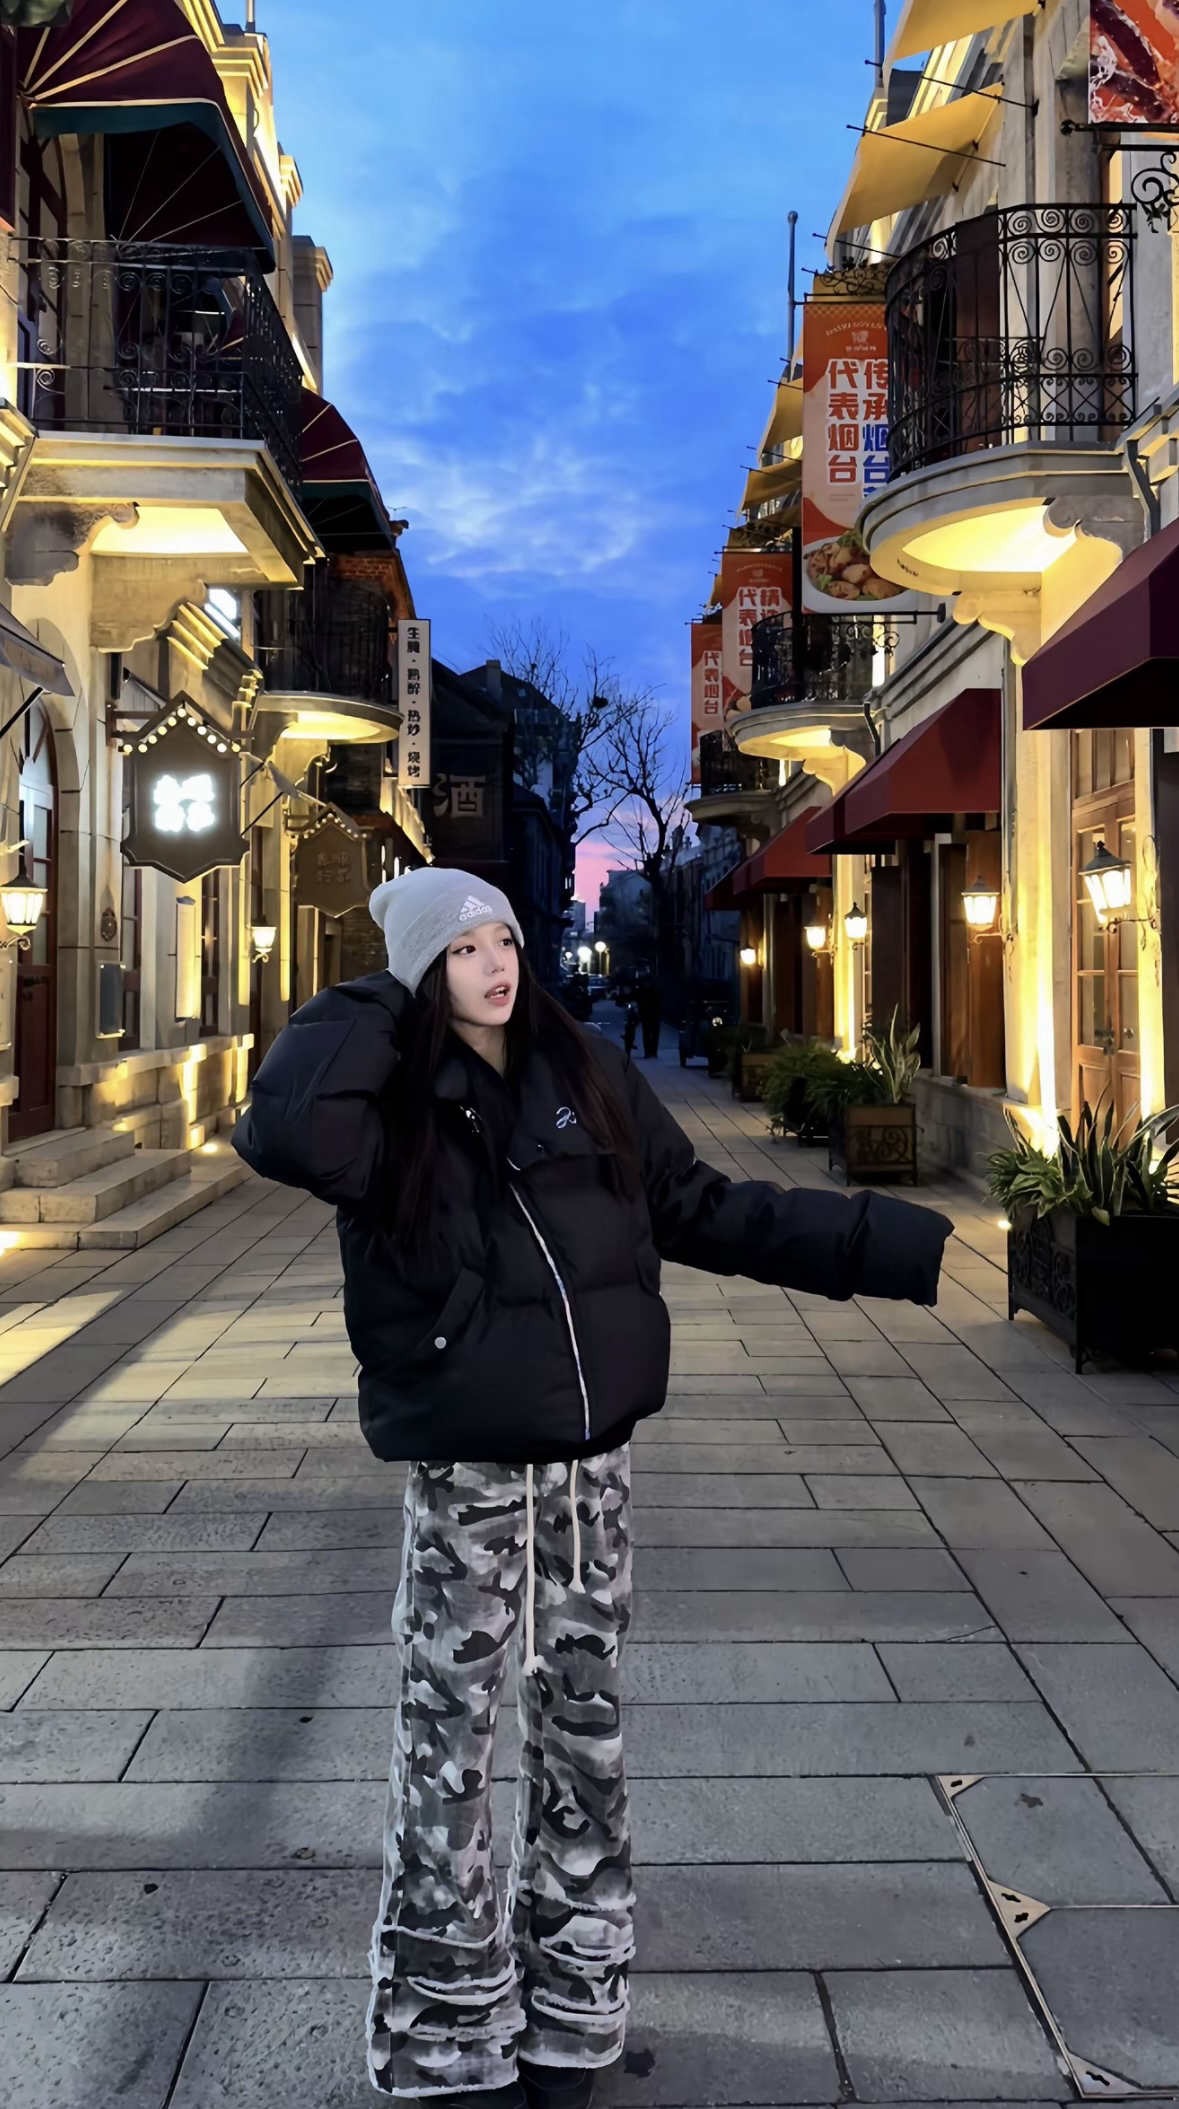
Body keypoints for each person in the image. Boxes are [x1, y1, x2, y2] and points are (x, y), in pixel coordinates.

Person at [232, 866, 953, 2109]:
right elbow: (283, 1132)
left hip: (588, 1477)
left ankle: (576, 2008)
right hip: (470, 1473)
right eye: (463, 948)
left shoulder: (587, 1071)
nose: (497, 965)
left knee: (586, 1743)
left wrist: (884, 1244)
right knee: (448, 1746)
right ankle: (446, 2028)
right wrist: (380, 994)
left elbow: (699, 1206)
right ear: (421, 971)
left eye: (506, 940)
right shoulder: (385, 1100)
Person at [634, 977, 662, 1060]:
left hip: (650, 1014)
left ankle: (651, 1052)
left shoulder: (646, 990)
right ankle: (650, 1052)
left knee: (650, 1034)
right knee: (650, 1034)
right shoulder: (652, 990)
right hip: (649, 1014)